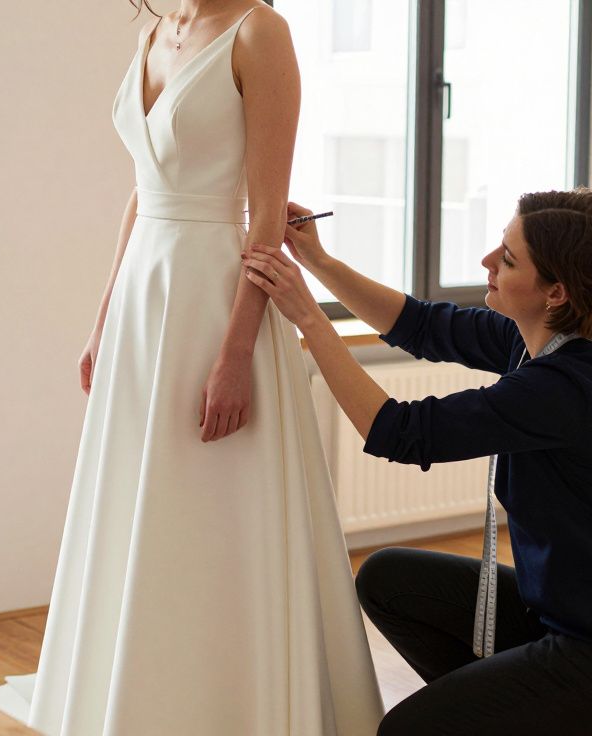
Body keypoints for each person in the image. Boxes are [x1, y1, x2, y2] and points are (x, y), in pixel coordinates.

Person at [22, 1, 384, 734]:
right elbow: (142, 191)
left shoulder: (260, 32)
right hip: (143, 305)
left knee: (216, 514)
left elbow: (264, 217)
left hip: (217, 303)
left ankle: (231, 701)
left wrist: (235, 355)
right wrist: (102, 322)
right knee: (137, 503)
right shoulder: (158, 30)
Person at [243, 189, 592, 736]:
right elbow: (421, 325)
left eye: (507, 259)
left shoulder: (568, 388)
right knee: (389, 579)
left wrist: (311, 321)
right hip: (560, 616)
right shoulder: (539, 339)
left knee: (407, 731)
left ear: (555, 292)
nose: (487, 262)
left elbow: (400, 432)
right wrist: (319, 261)